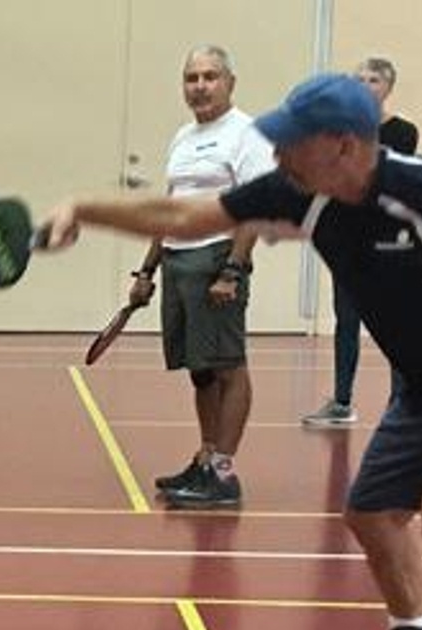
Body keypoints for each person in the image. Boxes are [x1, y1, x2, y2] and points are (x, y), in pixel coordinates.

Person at [41, 73, 422, 630]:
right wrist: (81, 207)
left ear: (344, 145)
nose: (274, 152)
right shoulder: (299, 193)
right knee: (372, 514)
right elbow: (187, 216)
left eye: (290, 142)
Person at [132, 45, 275, 509]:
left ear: (230, 82)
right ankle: (206, 456)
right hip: (177, 261)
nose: (200, 86)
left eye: (210, 76)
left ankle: (224, 472)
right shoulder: (183, 137)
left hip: (217, 260)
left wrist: (233, 269)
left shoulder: (247, 134)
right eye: (191, 78)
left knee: (228, 365)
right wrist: (147, 269)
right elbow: (170, 208)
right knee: (200, 372)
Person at [301, 57, 419, 427]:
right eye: (358, 80)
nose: (364, 86)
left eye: (372, 80)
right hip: (349, 242)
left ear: (387, 87)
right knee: (346, 321)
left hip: (388, 244)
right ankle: (341, 401)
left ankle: (402, 400)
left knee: (398, 323)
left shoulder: (402, 131)